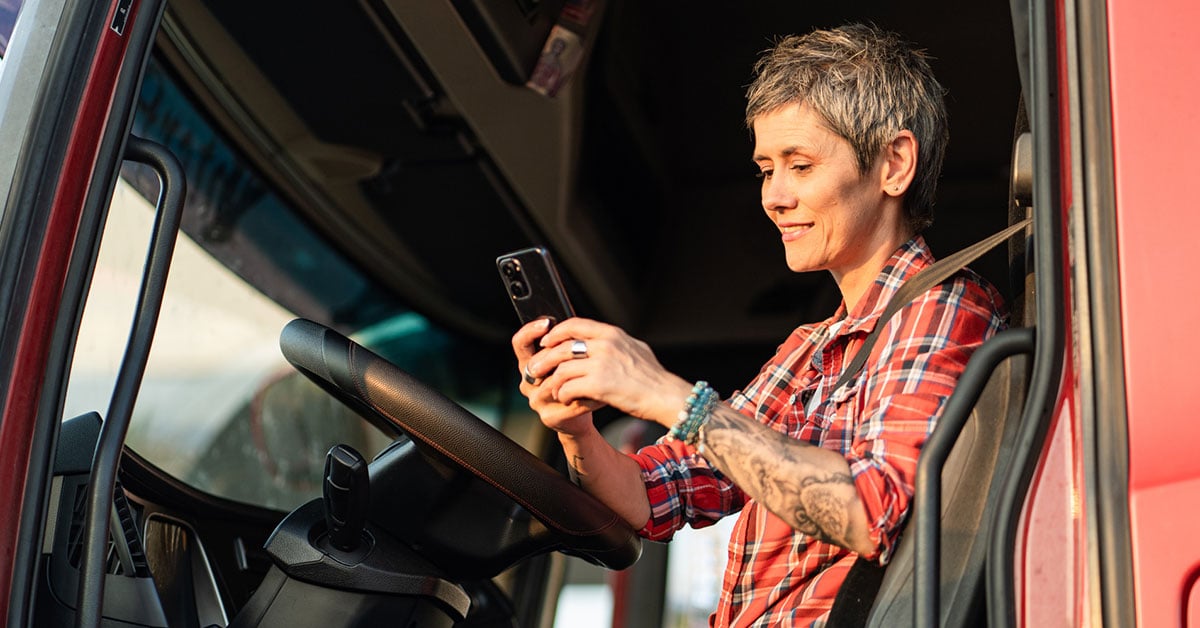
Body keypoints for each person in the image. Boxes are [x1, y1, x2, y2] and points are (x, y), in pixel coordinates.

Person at [512, 23, 1006, 626]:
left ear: (894, 164)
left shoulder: (941, 310)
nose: (774, 196)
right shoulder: (811, 349)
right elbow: (658, 493)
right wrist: (579, 430)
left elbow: (870, 511)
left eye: (800, 165)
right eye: (765, 169)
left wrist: (662, 392)